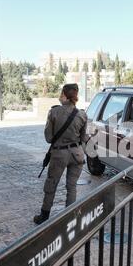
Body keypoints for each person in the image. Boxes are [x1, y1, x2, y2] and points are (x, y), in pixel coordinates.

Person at [34, 84, 88, 225]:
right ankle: (70, 217)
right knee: (72, 186)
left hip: (59, 154)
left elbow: (49, 138)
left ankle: (44, 215)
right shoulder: (82, 114)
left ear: (63, 94)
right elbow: (83, 139)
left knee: (52, 184)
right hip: (77, 154)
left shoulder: (54, 112)